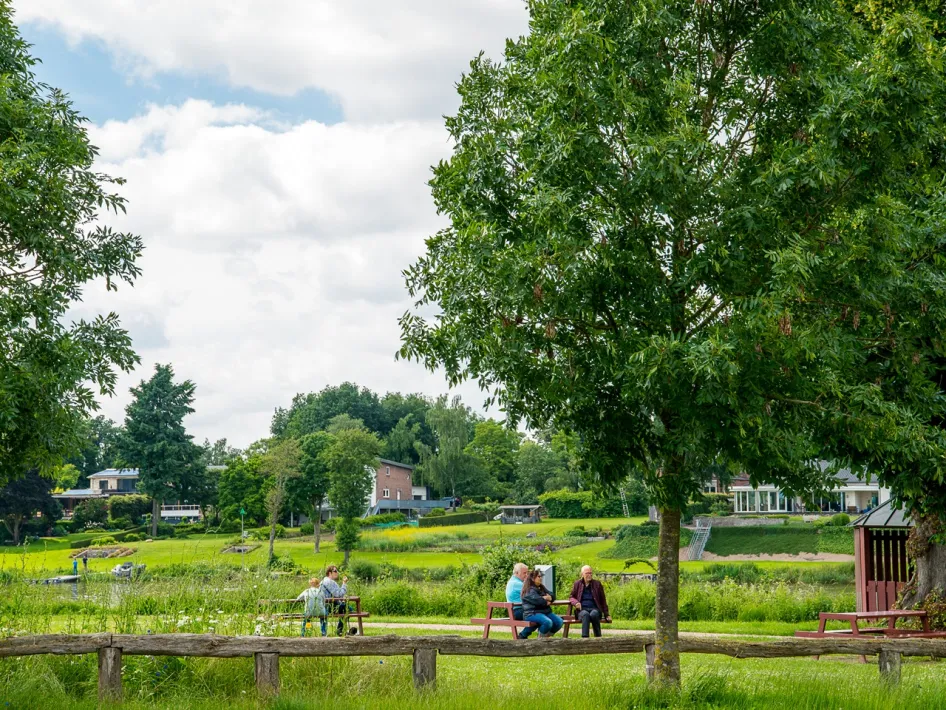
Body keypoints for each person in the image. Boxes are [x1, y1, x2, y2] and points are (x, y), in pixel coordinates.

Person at [568, 565, 611, 638]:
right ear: (582, 574)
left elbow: (603, 600)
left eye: (590, 573)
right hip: (582, 610)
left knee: (594, 614)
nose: (589, 575)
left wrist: (607, 614)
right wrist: (576, 603)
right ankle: (585, 639)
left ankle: (598, 638)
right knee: (585, 615)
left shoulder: (597, 584)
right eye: (587, 573)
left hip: (595, 609)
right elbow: (571, 597)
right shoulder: (577, 584)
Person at [521, 568, 563, 639]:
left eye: (541, 576)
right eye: (539, 577)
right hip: (532, 613)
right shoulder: (528, 590)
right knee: (547, 622)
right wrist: (545, 599)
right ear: (533, 578)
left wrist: (549, 598)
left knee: (559, 621)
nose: (541, 578)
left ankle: (545, 637)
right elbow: (538, 601)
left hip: (544, 612)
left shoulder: (541, 587)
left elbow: (552, 595)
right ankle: (541, 640)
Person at [321, 565, 357, 636]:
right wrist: (344, 583)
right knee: (348, 609)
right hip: (329, 606)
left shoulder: (325, 581)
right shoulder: (329, 582)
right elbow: (339, 594)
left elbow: (337, 594)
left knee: (347, 608)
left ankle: (340, 630)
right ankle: (339, 630)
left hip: (327, 605)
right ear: (329, 573)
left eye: (337, 571)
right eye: (335, 571)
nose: (337, 572)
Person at [505, 562, 536, 639]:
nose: (526, 575)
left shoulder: (514, 582)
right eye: (524, 573)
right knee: (539, 617)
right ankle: (523, 636)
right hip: (517, 610)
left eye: (527, 573)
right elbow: (534, 593)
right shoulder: (516, 584)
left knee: (542, 616)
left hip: (518, 610)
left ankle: (524, 636)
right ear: (516, 573)